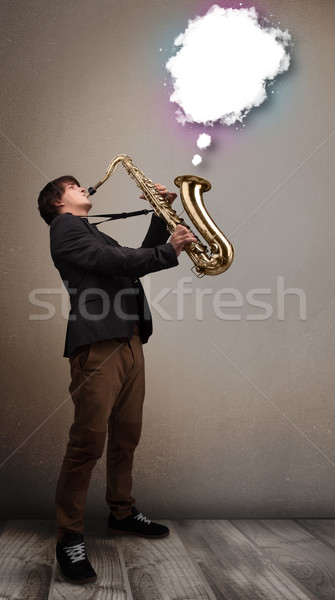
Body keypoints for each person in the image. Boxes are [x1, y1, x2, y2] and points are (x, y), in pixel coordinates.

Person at [37, 174, 196, 585]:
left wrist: (161, 218)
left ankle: (121, 513)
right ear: (58, 202)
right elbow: (117, 262)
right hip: (99, 342)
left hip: (127, 339)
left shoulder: (90, 234)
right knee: (88, 442)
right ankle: (69, 536)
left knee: (126, 435)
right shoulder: (65, 228)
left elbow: (131, 261)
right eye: (73, 186)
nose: (83, 187)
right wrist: (169, 250)